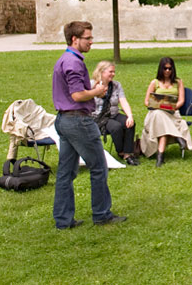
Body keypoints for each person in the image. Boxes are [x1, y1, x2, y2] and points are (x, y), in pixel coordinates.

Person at [52, 21, 125, 229]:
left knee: (66, 172)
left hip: (64, 120)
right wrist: (97, 92)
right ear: (75, 39)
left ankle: (63, 220)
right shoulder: (73, 63)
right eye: (88, 38)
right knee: (99, 167)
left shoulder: (64, 59)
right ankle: (102, 214)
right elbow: (77, 95)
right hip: (78, 121)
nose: (91, 42)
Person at [141, 56, 192, 166]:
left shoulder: (178, 82)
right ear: (161, 69)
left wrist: (173, 107)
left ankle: (160, 157)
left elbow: (181, 100)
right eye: (165, 68)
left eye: (170, 68)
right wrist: (157, 105)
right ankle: (177, 136)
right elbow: (146, 101)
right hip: (155, 113)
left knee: (162, 124)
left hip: (172, 113)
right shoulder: (154, 83)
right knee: (158, 114)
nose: (167, 71)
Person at [91, 60, 138, 165]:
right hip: (98, 117)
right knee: (116, 127)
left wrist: (130, 116)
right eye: (111, 72)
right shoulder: (91, 85)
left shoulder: (116, 85)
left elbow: (123, 101)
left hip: (113, 113)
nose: (113, 74)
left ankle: (128, 154)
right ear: (102, 72)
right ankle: (121, 151)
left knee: (130, 123)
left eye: (114, 72)